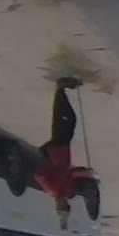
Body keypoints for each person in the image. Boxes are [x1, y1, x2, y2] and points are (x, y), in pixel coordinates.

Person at [35, 77, 94, 227]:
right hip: (64, 151)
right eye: (65, 206)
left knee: (61, 121)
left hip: (55, 149)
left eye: (60, 206)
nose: (62, 203)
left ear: (56, 205)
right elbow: (72, 173)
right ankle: (62, 90)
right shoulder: (67, 191)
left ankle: (60, 89)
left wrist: (48, 157)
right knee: (70, 120)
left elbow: (39, 173)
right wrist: (87, 173)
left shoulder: (51, 188)